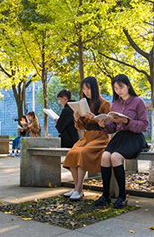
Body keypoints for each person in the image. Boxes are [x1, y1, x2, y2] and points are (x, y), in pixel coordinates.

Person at [95, 74, 149, 208]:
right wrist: (103, 125)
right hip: (119, 137)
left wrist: (127, 121)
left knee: (115, 157)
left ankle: (122, 197)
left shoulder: (138, 102)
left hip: (134, 137)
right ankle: (105, 196)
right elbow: (112, 128)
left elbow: (144, 125)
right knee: (105, 157)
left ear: (128, 85)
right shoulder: (115, 104)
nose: (118, 90)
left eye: (121, 87)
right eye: (116, 88)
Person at [62, 77, 111, 201]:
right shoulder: (84, 103)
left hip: (100, 137)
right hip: (87, 136)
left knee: (82, 153)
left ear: (94, 88)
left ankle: (78, 189)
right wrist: (77, 118)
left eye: (88, 88)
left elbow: (109, 125)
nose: (86, 91)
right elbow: (80, 127)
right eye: (84, 89)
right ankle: (76, 188)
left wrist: (96, 119)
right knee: (72, 153)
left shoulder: (105, 104)